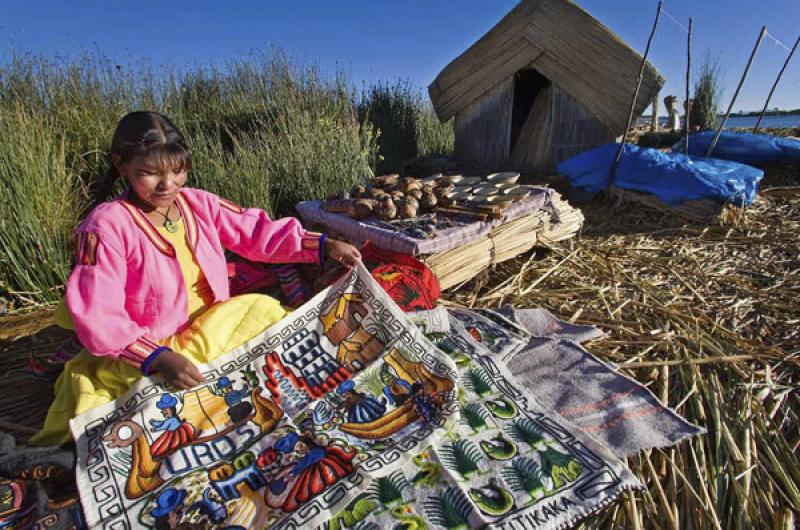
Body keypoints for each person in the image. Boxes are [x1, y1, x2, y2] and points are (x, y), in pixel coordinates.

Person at [31, 111, 361, 445]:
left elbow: (255, 231)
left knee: (262, 309)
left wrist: (322, 245)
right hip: (152, 347)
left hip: (213, 327)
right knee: (128, 421)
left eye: (178, 172)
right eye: (149, 173)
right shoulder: (106, 226)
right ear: (121, 165)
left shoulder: (198, 203)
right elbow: (98, 310)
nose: (168, 185)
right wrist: (157, 358)